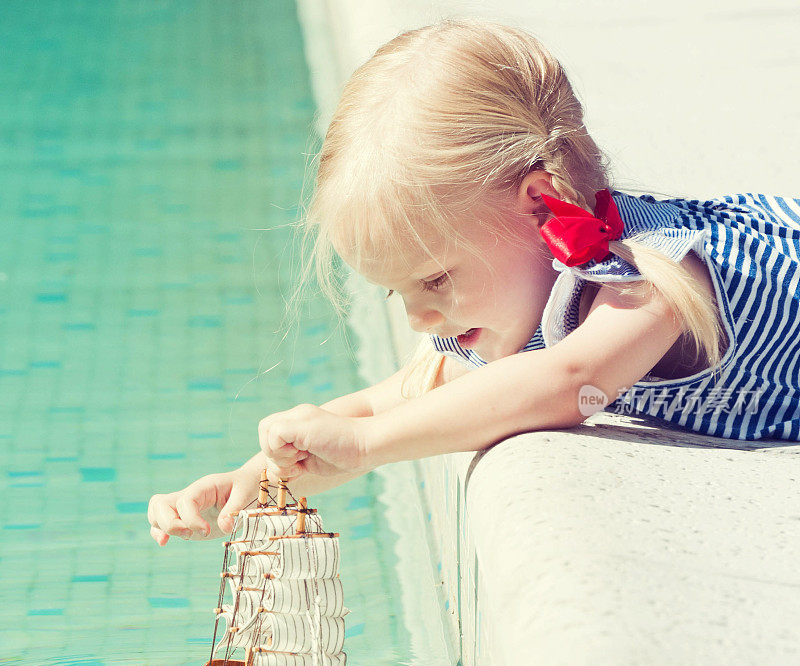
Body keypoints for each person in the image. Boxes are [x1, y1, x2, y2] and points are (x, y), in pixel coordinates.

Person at [148, 19, 800, 546]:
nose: (418, 319)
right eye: (396, 293)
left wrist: (369, 447)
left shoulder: (649, 278)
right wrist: (259, 476)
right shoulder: (515, 298)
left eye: (433, 279)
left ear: (540, 204)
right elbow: (391, 399)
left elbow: (571, 383)